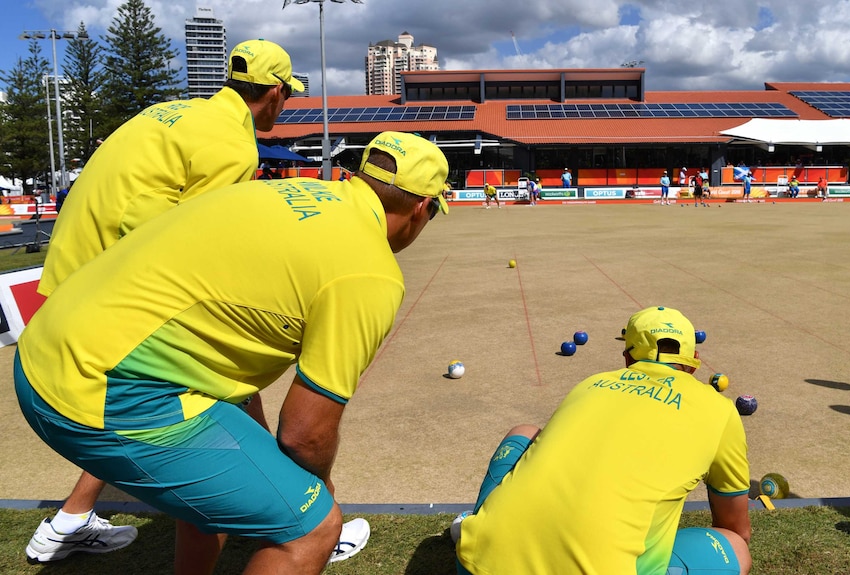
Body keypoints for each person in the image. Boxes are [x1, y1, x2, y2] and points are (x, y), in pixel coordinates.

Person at [15, 131, 450, 575]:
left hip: (41, 352)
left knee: (223, 481)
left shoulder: (280, 188)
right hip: (104, 391)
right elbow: (304, 432)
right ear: (420, 208)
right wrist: (310, 491)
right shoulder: (370, 273)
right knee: (313, 528)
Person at [22, 38, 362, 566]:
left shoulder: (173, 111)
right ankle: (309, 513)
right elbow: (207, 243)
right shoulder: (232, 142)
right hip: (118, 288)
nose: (286, 105)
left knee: (130, 399)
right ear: (272, 93)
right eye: (286, 97)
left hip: (79, 269)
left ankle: (70, 518)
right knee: (188, 396)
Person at [454, 305, 752, 575]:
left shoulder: (590, 383)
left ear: (627, 357)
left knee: (524, 433)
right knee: (735, 546)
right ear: (695, 360)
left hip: (475, 564)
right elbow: (737, 527)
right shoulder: (721, 410)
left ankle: (475, 522)